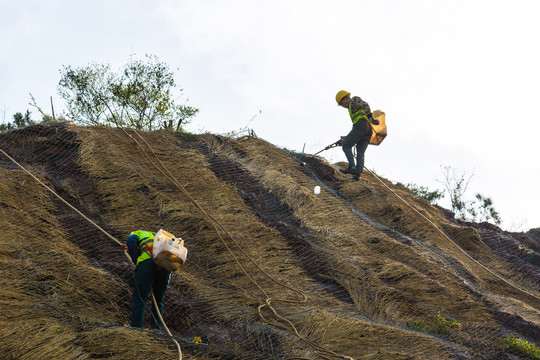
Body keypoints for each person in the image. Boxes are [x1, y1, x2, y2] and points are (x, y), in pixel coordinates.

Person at [123, 230, 171, 329]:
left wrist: (136, 260)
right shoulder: (158, 237)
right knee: (158, 300)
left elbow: (131, 241)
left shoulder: (137, 233)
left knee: (140, 299)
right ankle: (156, 331)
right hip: (166, 267)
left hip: (148, 263)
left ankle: (136, 331)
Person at [335, 90, 378, 180]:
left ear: (346, 98)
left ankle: (352, 167)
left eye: (342, 103)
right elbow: (356, 129)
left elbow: (365, 105)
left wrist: (371, 118)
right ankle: (357, 176)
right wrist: (347, 138)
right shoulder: (351, 108)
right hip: (366, 130)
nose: (343, 106)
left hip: (361, 125)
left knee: (346, 146)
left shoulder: (354, 100)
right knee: (360, 153)